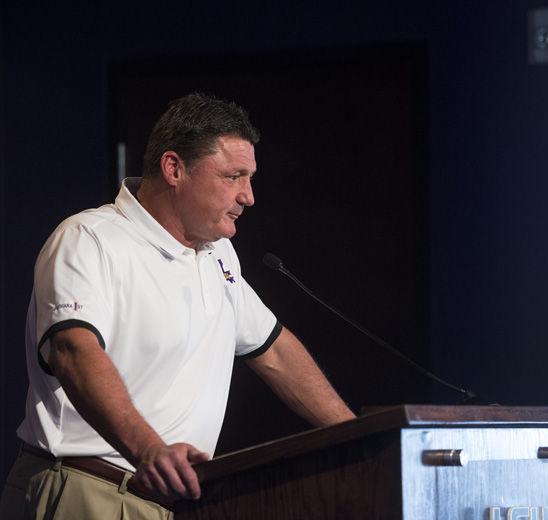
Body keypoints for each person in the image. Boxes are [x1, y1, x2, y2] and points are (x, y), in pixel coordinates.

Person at [0, 93, 355, 519]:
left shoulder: (218, 254)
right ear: (174, 169)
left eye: (251, 178)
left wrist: (355, 437)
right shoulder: (89, 239)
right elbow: (73, 352)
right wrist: (148, 449)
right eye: (233, 176)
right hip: (87, 490)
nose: (249, 196)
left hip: (170, 504)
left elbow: (275, 351)